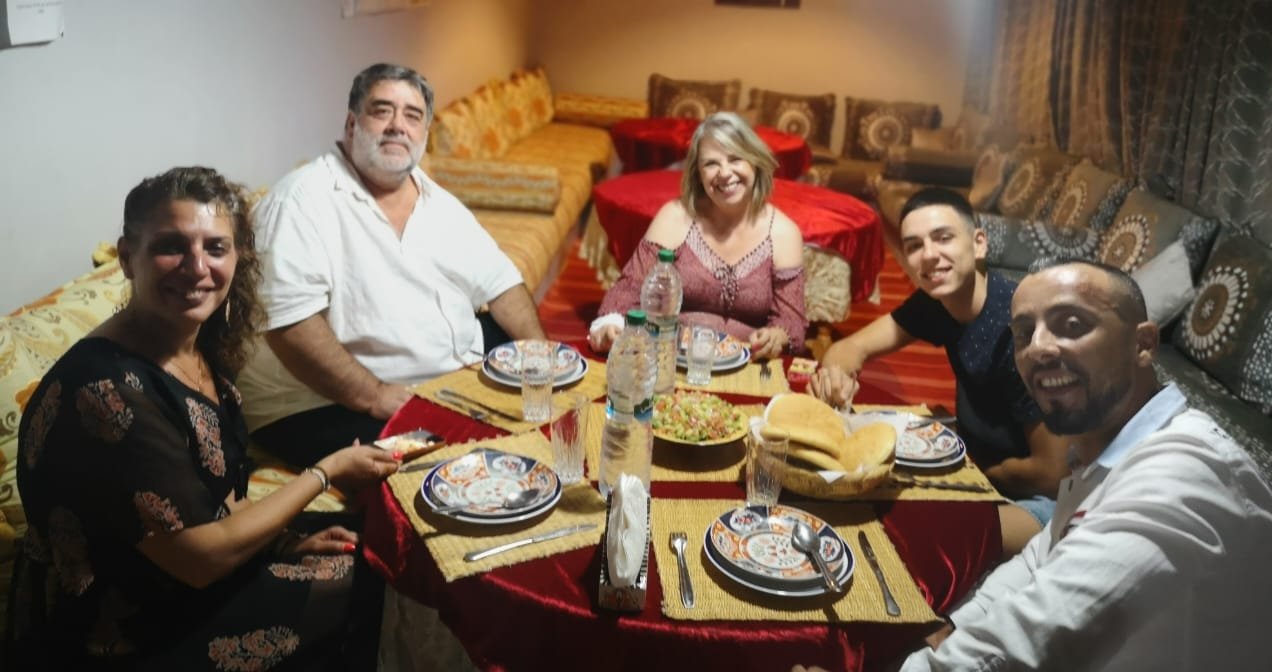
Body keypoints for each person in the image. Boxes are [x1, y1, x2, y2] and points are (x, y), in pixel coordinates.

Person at [797, 260, 1272, 671]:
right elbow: (1037, 562)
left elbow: (1026, 642)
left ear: (1143, 344)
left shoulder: (1180, 480)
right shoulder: (1104, 449)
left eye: (1072, 325)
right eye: (1024, 333)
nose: (1038, 349)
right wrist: (949, 631)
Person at [10, 167, 400, 669]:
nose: (197, 267)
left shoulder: (193, 342)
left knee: (371, 538)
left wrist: (285, 542)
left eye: (216, 248)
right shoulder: (105, 391)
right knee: (378, 579)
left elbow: (216, 499)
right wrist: (326, 472)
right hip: (129, 629)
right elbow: (201, 559)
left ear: (238, 257)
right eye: (172, 246)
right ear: (128, 258)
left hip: (187, 568)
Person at [238, 63, 546, 466]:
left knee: (548, 392)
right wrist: (374, 395)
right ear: (352, 124)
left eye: (412, 116)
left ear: (424, 134)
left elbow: (502, 284)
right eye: (382, 111)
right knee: (465, 460)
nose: (398, 125)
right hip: (323, 403)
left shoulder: (434, 198)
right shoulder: (299, 202)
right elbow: (290, 328)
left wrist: (542, 359)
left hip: (432, 373)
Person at [809, 187, 1068, 553]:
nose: (929, 255)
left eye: (943, 238)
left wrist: (964, 469)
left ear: (978, 244)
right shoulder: (937, 302)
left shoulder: (1018, 332)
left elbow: (1050, 474)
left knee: (909, 540)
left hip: (1043, 504)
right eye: (914, 245)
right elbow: (850, 347)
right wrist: (836, 375)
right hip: (977, 470)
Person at [588, 111, 806, 359]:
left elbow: (792, 324)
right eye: (711, 163)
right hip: (670, 361)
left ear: (754, 162)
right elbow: (628, 289)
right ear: (698, 175)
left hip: (750, 366)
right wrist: (610, 326)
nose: (724, 173)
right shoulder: (675, 217)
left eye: (735, 159)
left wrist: (777, 337)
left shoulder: (783, 233)